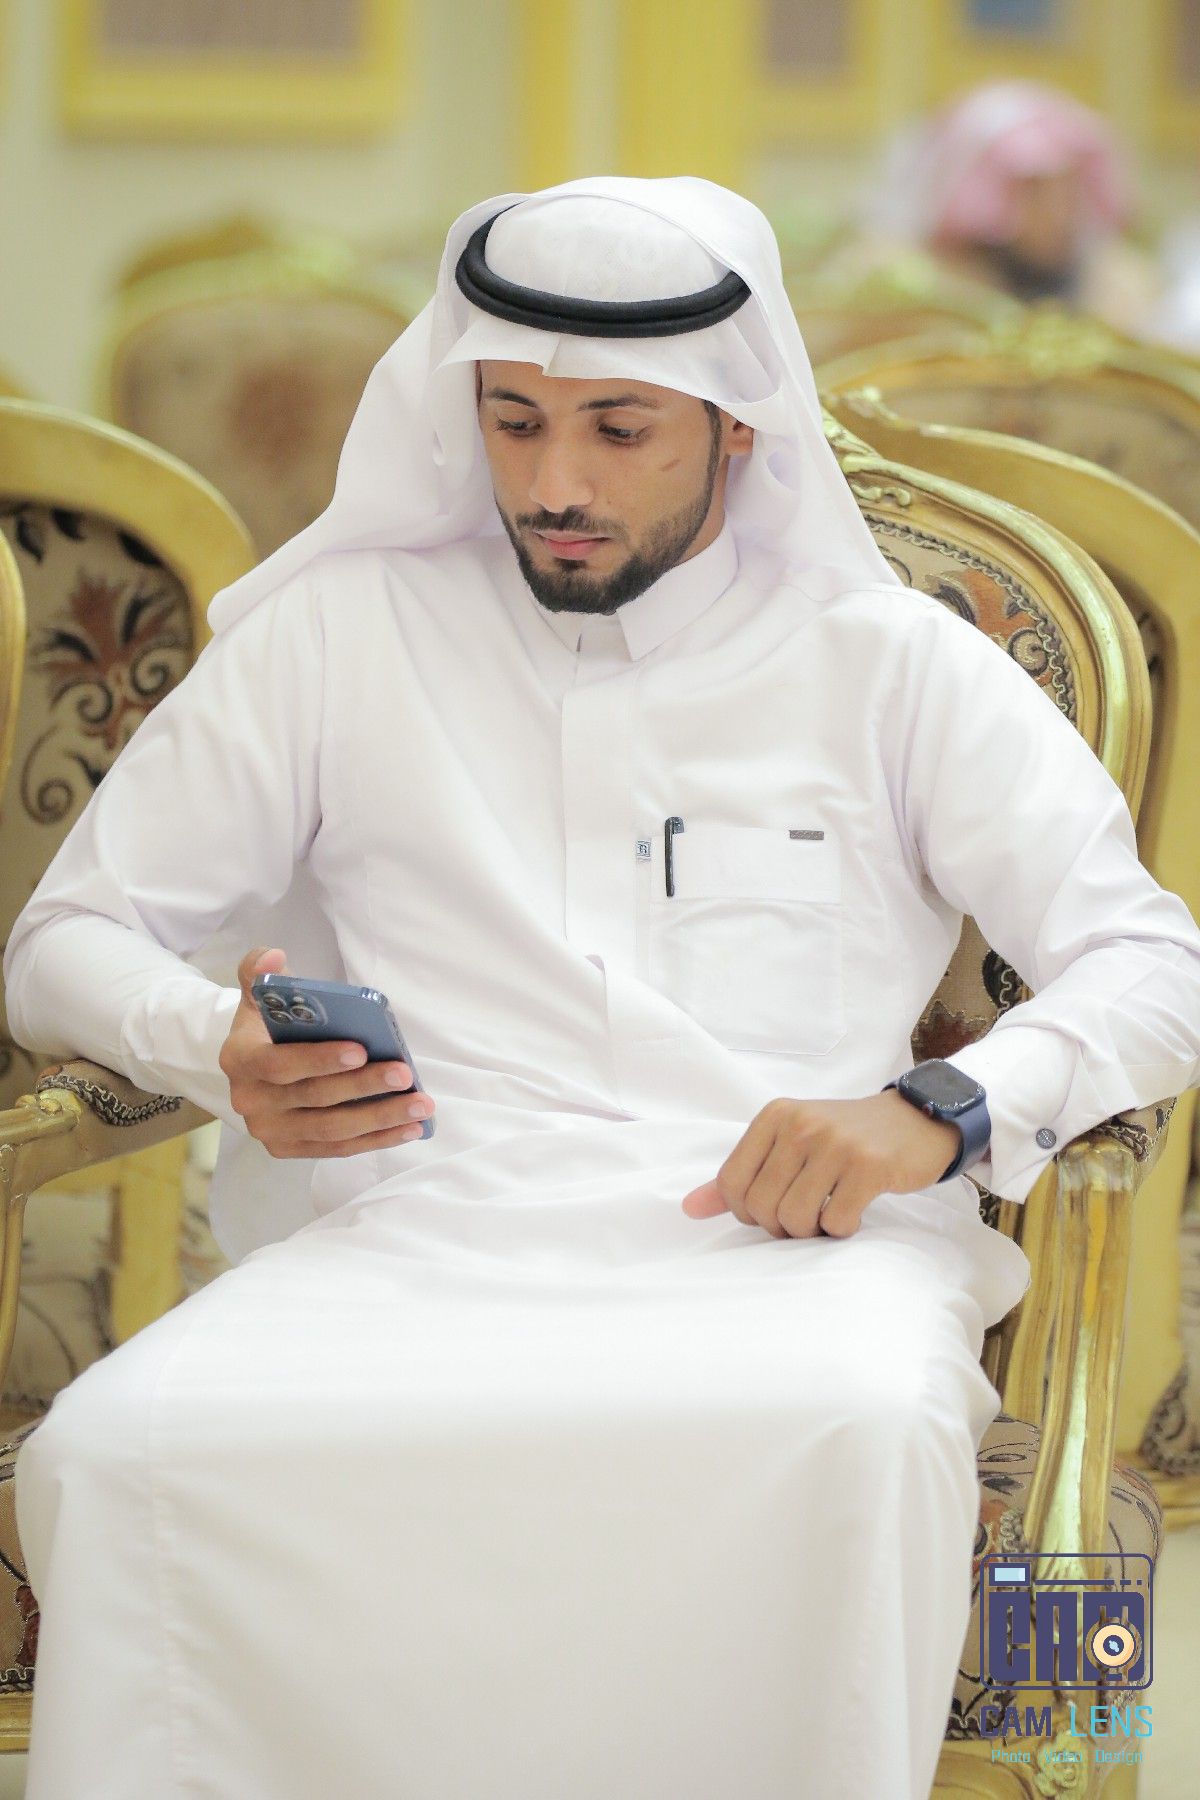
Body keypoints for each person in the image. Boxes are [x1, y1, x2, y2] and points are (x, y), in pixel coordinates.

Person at [6, 177, 1200, 1800]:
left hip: (791, 1267)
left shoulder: (891, 662)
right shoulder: (339, 634)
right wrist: (207, 1041)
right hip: (412, 1242)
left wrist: (941, 1108)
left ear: (736, 425)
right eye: (512, 421)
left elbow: (1152, 963)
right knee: (115, 1448)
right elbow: (62, 941)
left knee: (858, 1432)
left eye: (619, 430)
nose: (553, 483)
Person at [830, 80, 1159, 332]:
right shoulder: (906, 278)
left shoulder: (1114, 283)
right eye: (1034, 192)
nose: (1057, 212)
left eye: (1069, 191)